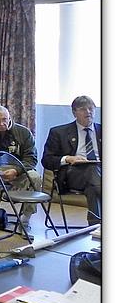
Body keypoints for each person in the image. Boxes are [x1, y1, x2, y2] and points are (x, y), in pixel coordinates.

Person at [42, 95, 102, 225]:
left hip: (98, 175)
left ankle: (95, 227)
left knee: (93, 187)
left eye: (91, 108)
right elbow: (47, 160)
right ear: (74, 113)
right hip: (73, 174)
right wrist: (68, 158)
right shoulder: (59, 132)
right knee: (92, 170)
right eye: (83, 109)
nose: (88, 112)